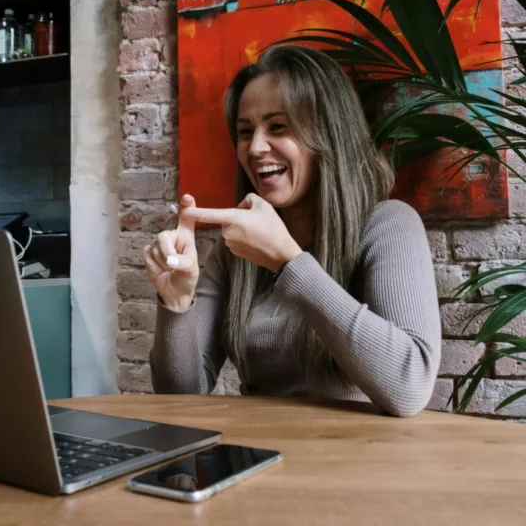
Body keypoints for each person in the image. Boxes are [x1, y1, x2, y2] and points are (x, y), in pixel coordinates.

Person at [143, 44, 441, 418]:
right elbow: (180, 398)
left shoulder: (388, 225)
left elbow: (410, 388)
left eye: (278, 126)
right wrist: (176, 302)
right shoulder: (235, 251)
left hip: (362, 465)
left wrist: (288, 262)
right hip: (260, 461)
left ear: (328, 133)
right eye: (245, 131)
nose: (256, 147)